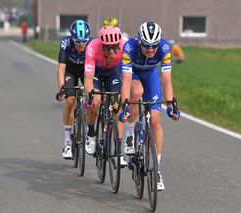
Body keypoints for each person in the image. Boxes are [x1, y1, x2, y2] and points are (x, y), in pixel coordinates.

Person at [119, 21, 180, 191]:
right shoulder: (130, 47)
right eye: (147, 46)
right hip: (133, 74)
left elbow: (166, 80)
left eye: (154, 46)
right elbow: (126, 80)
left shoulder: (165, 48)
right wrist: (125, 105)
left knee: (155, 120)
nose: (151, 49)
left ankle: (157, 169)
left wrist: (170, 105)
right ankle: (130, 134)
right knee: (136, 92)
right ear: (139, 41)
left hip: (151, 75)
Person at [84, 25, 127, 165]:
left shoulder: (125, 47)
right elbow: (88, 77)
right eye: (108, 48)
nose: (112, 51)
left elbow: (127, 76)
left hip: (113, 73)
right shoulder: (93, 46)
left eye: (115, 47)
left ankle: (118, 152)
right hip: (96, 72)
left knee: (117, 106)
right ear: (101, 45)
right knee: (95, 101)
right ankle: (91, 133)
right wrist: (90, 95)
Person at [56, 20, 93, 159]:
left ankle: (90, 132)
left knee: (93, 98)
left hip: (86, 71)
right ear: (72, 38)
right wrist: (62, 89)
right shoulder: (65, 43)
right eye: (78, 42)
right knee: (71, 100)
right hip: (70, 71)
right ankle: (67, 142)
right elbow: (61, 69)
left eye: (84, 41)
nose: (81, 45)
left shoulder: (92, 43)